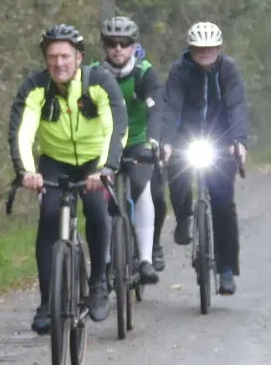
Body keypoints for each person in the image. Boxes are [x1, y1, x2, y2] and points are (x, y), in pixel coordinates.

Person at [8, 24, 126, 333]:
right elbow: (23, 130)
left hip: (94, 161)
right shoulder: (35, 86)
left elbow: (114, 126)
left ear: (79, 58)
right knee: (48, 220)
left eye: (65, 56)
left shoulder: (99, 81)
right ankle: (47, 302)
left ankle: (99, 281)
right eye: (52, 57)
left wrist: (106, 168)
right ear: (45, 60)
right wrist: (26, 171)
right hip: (54, 162)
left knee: (98, 213)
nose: (59, 63)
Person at [152, 21, 250, 295]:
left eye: (210, 49)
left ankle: (227, 269)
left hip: (222, 140)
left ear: (218, 48)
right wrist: (167, 142)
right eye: (199, 49)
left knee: (223, 204)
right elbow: (170, 107)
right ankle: (184, 217)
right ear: (191, 49)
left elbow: (237, 105)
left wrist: (239, 142)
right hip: (187, 137)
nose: (205, 53)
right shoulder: (180, 71)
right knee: (178, 174)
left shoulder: (228, 69)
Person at [101, 16, 163, 284]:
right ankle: (104, 261)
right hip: (105, 142)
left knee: (142, 187)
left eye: (124, 43)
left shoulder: (144, 72)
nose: (118, 49)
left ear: (133, 45)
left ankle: (146, 259)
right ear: (104, 46)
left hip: (138, 140)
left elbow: (156, 110)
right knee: (101, 199)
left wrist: (154, 142)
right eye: (111, 43)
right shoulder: (95, 73)